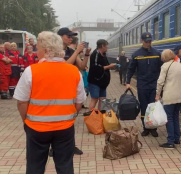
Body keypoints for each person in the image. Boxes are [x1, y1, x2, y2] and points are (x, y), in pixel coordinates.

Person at [13, 31, 86, 174]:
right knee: (65, 166)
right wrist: (69, 117)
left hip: (36, 129)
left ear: (46, 51)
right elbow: (80, 102)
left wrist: (26, 121)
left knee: (35, 167)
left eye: (38, 49)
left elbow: (22, 102)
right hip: (65, 128)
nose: (36, 52)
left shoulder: (31, 71)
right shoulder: (73, 72)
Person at [56, 27, 90, 155]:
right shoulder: (55, 51)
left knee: (71, 117)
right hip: (59, 87)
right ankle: (54, 147)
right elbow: (64, 66)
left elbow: (81, 66)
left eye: (72, 37)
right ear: (60, 37)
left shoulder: (71, 51)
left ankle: (71, 145)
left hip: (71, 86)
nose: (71, 38)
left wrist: (86, 55)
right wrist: (77, 52)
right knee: (57, 118)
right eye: (68, 36)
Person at [126, 32, 162, 137]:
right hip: (142, 85)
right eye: (146, 41)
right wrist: (127, 82)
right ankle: (146, 128)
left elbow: (161, 69)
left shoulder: (156, 53)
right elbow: (131, 69)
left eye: (150, 41)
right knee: (144, 107)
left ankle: (153, 128)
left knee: (153, 107)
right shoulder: (136, 54)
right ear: (142, 41)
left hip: (154, 84)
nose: (148, 43)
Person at [155, 49, 181, 149]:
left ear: (164, 57)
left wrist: (157, 94)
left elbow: (160, 82)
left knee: (169, 118)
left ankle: (170, 141)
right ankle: (176, 139)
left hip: (169, 96)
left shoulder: (165, 66)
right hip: (179, 96)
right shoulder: (179, 65)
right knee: (175, 117)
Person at [88, 39, 117, 111]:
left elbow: (105, 65)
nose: (107, 47)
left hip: (103, 83)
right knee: (94, 99)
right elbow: (95, 68)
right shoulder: (95, 54)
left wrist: (110, 65)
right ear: (102, 46)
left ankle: (100, 117)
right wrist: (109, 66)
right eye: (106, 46)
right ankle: (90, 118)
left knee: (102, 100)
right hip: (95, 81)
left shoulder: (103, 55)